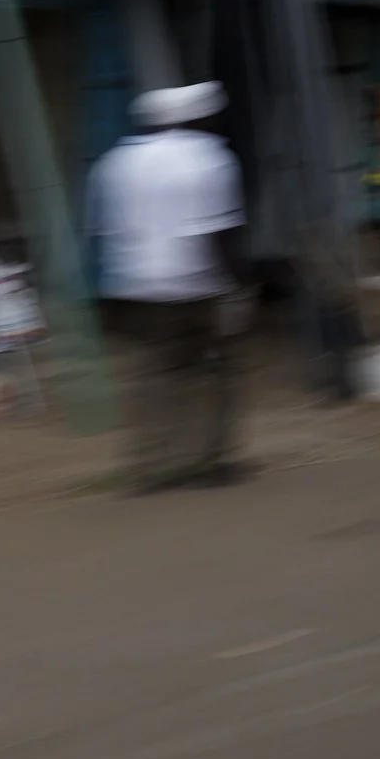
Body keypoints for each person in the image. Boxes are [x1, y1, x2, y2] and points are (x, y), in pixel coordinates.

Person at [87, 81, 255, 492]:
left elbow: (101, 233)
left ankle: (148, 467)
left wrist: (107, 298)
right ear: (199, 117)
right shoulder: (209, 158)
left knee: (152, 376)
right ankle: (208, 462)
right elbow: (218, 233)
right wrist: (239, 286)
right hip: (195, 285)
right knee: (214, 371)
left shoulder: (114, 163)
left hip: (135, 287)